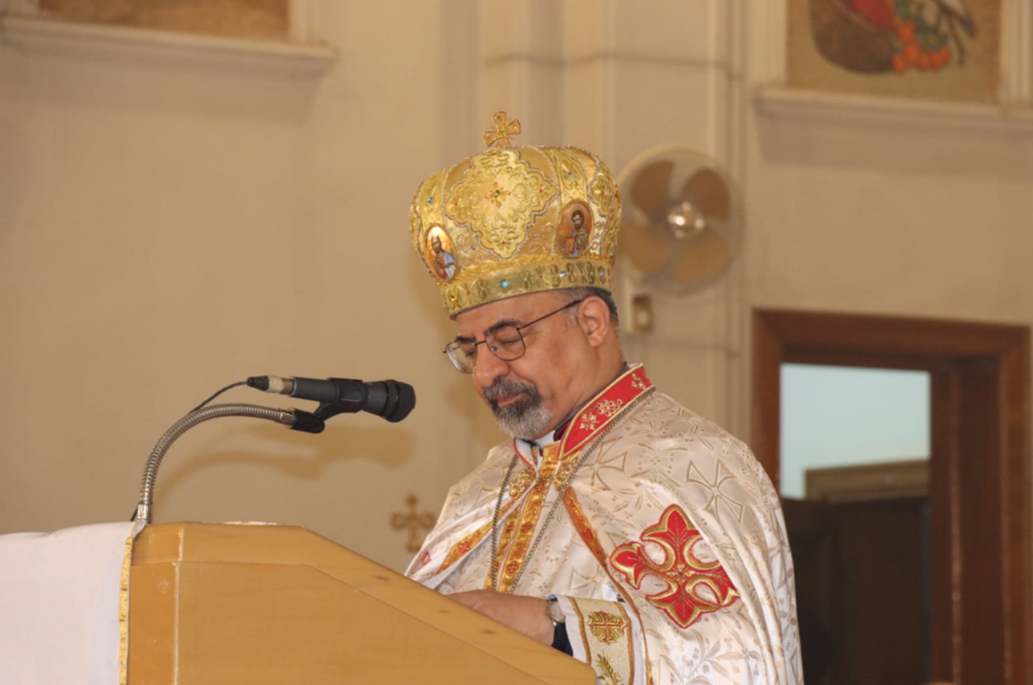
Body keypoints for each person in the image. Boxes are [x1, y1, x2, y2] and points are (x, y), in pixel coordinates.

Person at [406, 112, 801, 685]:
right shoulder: (480, 492)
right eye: (471, 348)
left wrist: (551, 624)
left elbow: (735, 660)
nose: (487, 371)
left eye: (508, 338)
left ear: (591, 323)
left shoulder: (692, 465)